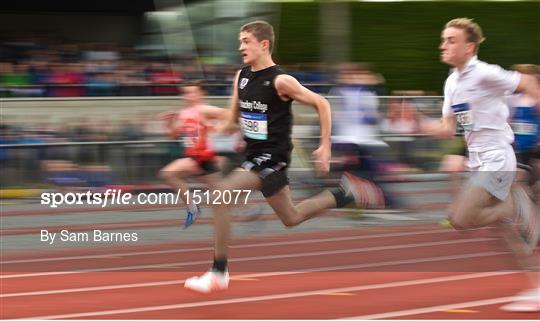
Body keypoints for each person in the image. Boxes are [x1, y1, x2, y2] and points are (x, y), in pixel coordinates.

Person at [184, 20, 384, 293]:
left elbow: (322, 103)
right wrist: (206, 126)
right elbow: (232, 119)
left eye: (246, 41)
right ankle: (344, 192)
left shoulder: (281, 80)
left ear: (263, 44)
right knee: (291, 217)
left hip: (271, 158)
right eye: (240, 41)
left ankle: (219, 271)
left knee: (221, 195)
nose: (240, 46)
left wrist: (325, 146)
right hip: (252, 157)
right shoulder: (241, 76)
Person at [417, 18, 540, 312]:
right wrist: (420, 123)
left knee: (459, 218)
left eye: (451, 40)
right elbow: (451, 127)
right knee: (502, 232)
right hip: (478, 160)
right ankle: (535, 286)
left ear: (469, 47)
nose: (443, 45)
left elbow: (527, 82)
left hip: (497, 157)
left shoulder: (484, 73)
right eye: (444, 39)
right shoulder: (452, 82)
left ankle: (515, 205)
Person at [158, 81, 230, 228]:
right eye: (185, 92)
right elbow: (173, 135)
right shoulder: (184, 113)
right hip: (194, 158)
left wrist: (218, 130)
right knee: (168, 174)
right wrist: (169, 123)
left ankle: (247, 210)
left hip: (209, 158)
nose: (188, 96)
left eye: (192, 92)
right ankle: (193, 208)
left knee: (219, 196)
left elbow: (228, 115)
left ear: (201, 94)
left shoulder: (204, 109)